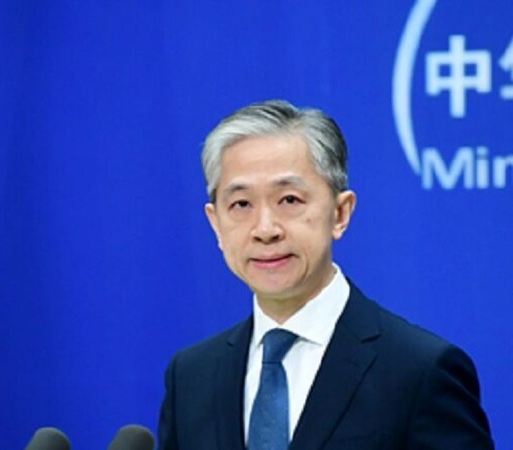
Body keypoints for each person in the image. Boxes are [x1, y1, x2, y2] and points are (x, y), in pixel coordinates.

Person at [157, 100, 494, 450]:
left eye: (289, 200)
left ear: (340, 213)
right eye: (241, 204)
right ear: (216, 224)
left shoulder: (419, 370)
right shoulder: (191, 376)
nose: (265, 229)